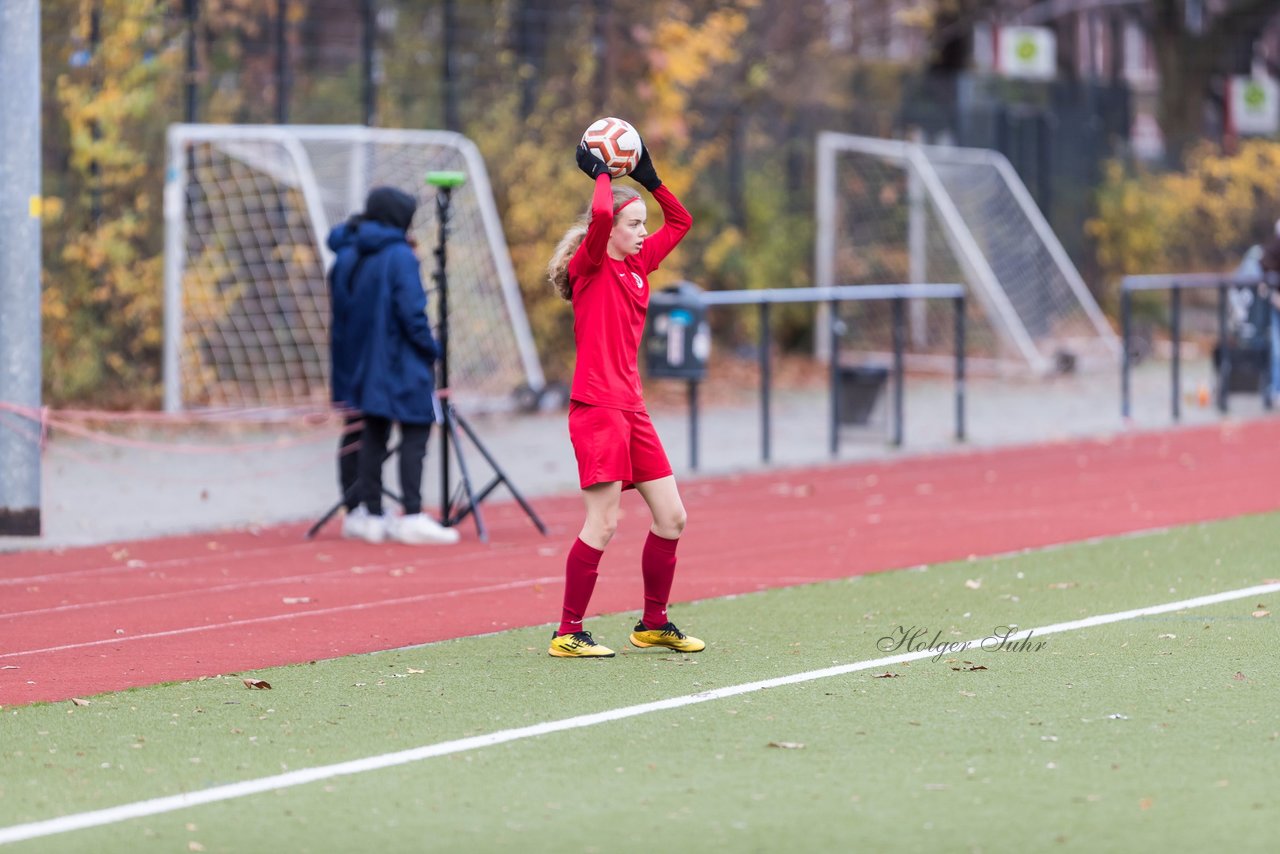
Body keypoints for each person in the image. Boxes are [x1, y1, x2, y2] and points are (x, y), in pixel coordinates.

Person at [543, 137, 700, 657]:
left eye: (641, 226)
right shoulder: (590, 266)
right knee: (604, 523)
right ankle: (568, 632)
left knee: (672, 517)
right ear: (608, 231)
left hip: (633, 410)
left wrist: (651, 180)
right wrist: (603, 176)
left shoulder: (639, 264)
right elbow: (604, 213)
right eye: (634, 225)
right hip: (597, 408)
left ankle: (653, 622)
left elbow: (681, 223)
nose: (643, 233)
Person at [342, 186, 459, 546]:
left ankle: (373, 513)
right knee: (415, 431)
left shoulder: (356, 252)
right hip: (402, 359)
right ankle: (411, 513)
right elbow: (412, 312)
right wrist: (431, 348)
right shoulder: (400, 256)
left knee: (374, 433)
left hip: (369, 358)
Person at [325, 214, 368, 539]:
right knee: (360, 432)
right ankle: (358, 505)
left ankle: (359, 504)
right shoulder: (356, 260)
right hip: (360, 359)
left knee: (358, 430)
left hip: (347, 357)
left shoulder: (344, 258)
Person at [1261, 219, 1280, 402]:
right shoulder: (1273, 251)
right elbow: (1264, 265)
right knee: (1277, 350)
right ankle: (1276, 389)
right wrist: (1273, 294)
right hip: (1276, 305)